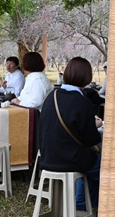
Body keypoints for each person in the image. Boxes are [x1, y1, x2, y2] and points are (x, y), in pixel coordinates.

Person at [38, 57, 103, 208]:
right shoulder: (82, 102)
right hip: (69, 159)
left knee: (87, 161)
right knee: (103, 168)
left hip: (47, 157)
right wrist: (94, 125)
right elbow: (91, 140)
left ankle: (83, 203)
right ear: (87, 77)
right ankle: (85, 205)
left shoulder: (51, 96)